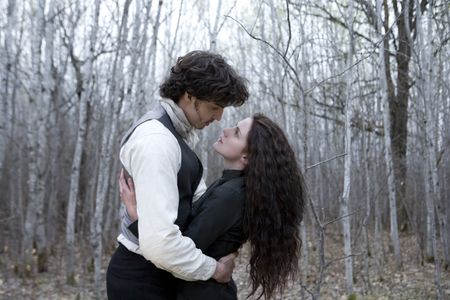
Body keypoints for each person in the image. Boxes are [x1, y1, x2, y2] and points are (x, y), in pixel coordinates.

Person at [106, 50, 249, 299]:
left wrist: (142, 218)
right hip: (141, 280)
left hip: (163, 274)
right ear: (188, 95)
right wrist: (215, 269)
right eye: (214, 107)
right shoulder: (157, 141)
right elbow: (159, 243)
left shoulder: (175, 136)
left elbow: (194, 210)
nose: (218, 118)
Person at [120, 114, 307, 300]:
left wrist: (137, 216)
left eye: (236, 133)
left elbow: (181, 246)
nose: (225, 130)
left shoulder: (231, 195)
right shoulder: (231, 186)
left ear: (246, 156)